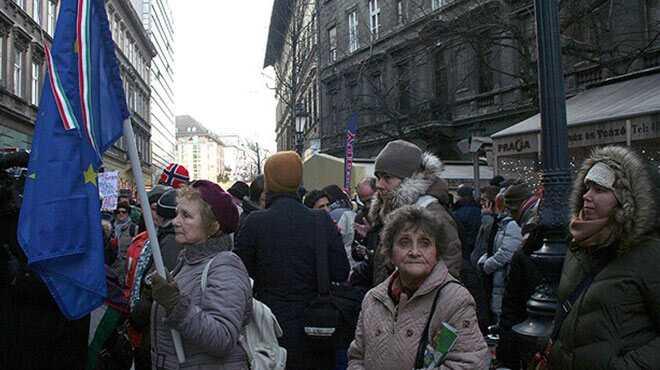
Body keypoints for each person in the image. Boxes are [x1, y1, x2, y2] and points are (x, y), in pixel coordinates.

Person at [235, 151, 350, 370]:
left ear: (269, 181)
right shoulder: (320, 220)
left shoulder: (255, 222)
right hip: (315, 325)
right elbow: (341, 271)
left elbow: (240, 275)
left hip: (268, 326)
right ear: (299, 179)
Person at [549, 146, 660, 369]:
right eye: (587, 187)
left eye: (599, 190)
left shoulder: (650, 253)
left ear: (625, 200)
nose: (586, 196)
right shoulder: (579, 245)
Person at [348, 205, 488, 370]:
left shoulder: (455, 300)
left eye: (425, 243)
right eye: (404, 242)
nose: (414, 251)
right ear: (391, 252)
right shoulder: (373, 299)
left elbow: (468, 364)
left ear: (437, 251)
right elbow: (357, 357)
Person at [150, 180, 251, 369]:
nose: (175, 221)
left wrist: (176, 304)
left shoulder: (225, 265)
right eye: (177, 213)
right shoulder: (187, 261)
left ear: (212, 226)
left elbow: (223, 338)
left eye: (186, 216)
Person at [368, 140, 462, 286]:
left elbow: (449, 269)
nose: (379, 185)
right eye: (378, 177)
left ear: (409, 180)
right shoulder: (389, 210)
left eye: (387, 177)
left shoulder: (434, 214)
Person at [478, 183, 529, 323]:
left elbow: (506, 251)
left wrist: (486, 264)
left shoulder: (511, 224)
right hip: (500, 276)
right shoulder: (504, 223)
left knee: (502, 308)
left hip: (504, 276)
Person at [113, 201, 138, 285]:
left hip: (126, 270)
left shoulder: (133, 228)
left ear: (128, 214)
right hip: (112, 270)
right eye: (118, 212)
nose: (121, 214)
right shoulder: (110, 228)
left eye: (123, 212)